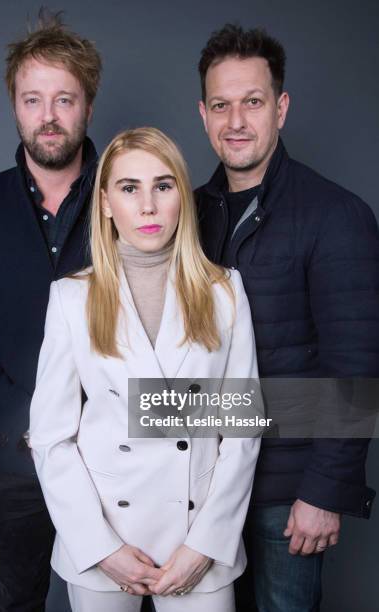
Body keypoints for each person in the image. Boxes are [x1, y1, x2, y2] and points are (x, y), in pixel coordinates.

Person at [29, 127, 261, 612]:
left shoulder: (225, 292)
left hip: (199, 537)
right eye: (129, 188)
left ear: (182, 195)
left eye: (164, 185)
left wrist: (205, 545)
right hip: (104, 537)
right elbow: (51, 437)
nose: (148, 206)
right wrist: (101, 548)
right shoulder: (72, 298)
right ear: (107, 203)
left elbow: (241, 431)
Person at [195, 24, 379, 612]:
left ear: (281, 108)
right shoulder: (184, 217)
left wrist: (325, 491)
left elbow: (356, 366)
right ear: (203, 114)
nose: (236, 121)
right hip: (201, 485)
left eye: (252, 102)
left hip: (286, 495)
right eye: (221, 105)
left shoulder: (336, 215)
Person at [0, 11, 101, 611]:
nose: (48, 115)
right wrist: (27, 418)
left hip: (113, 455)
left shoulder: (130, 195)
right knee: (17, 599)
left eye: (64, 99)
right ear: (14, 105)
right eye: (33, 99)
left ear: (87, 105)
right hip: (13, 453)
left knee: (124, 599)